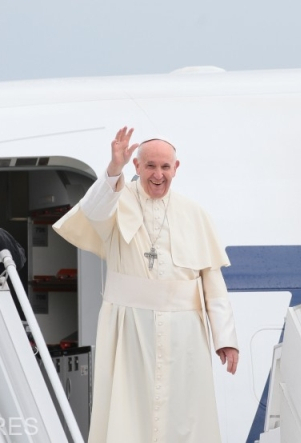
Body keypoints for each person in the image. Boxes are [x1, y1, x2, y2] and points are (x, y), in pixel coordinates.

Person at [53, 127, 239, 443]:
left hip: (185, 334)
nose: (157, 174)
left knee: (185, 417)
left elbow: (212, 281)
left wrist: (226, 337)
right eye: (150, 166)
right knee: (129, 415)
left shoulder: (195, 214)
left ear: (175, 169)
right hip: (129, 328)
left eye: (165, 167)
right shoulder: (115, 199)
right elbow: (93, 210)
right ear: (137, 167)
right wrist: (114, 168)